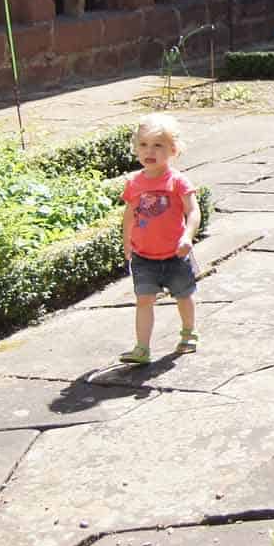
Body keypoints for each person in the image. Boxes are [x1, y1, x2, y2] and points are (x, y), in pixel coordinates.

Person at [118, 112, 200, 364]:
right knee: (144, 300)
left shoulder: (177, 181)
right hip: (144, 256)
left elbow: (193, 211)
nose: (149, 151)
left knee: (183, 296)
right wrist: (127, 243)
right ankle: (142, 348)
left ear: (173, 149)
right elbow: (129, 215)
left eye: (157, 145)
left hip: (175, 255)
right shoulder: (134, 183)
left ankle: (188, 333)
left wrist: (187, 237)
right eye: (143, 145)